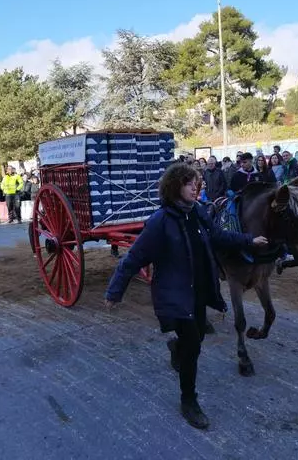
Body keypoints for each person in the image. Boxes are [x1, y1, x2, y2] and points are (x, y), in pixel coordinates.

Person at [104, 163, 268, 429]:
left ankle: (176, 346)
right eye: (189, 183)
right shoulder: (160, 222)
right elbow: (134, 258)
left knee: (198, 337)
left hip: (199, 290)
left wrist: (249, 240)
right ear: (174, 187)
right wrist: (115, 291)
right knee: (193, 346)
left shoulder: (198, 212)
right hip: (176, 293)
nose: (196, 187)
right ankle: (189, 401)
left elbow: (218, 235)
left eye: (197, 182)